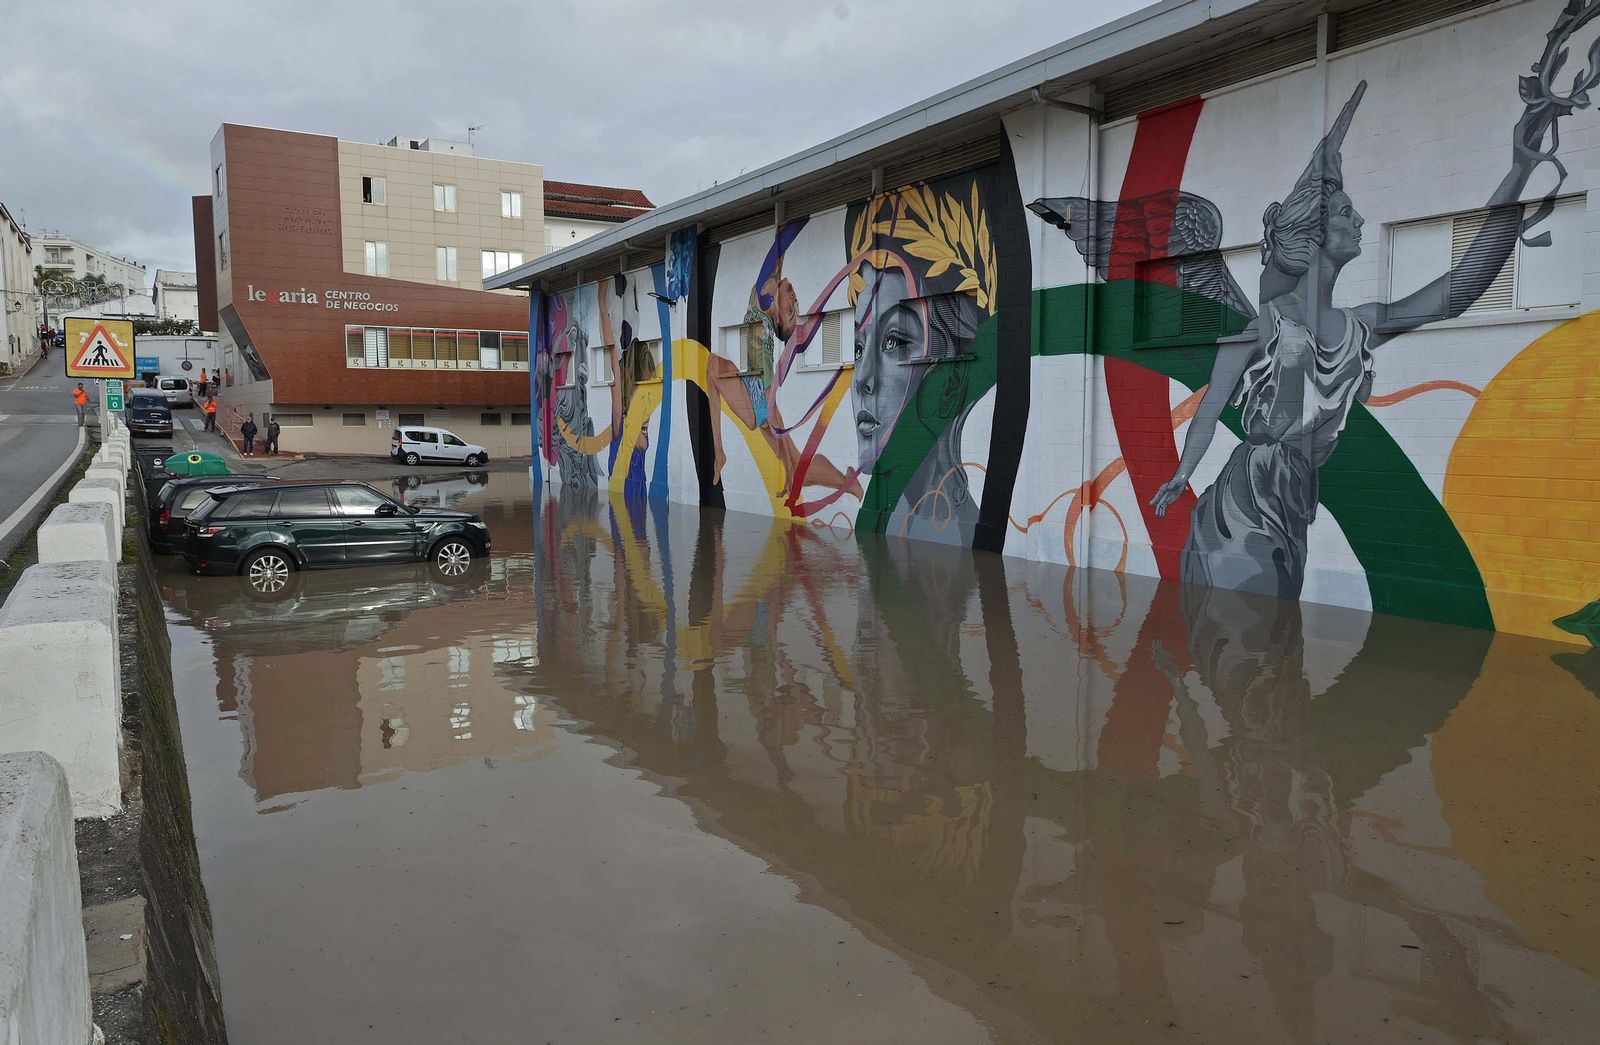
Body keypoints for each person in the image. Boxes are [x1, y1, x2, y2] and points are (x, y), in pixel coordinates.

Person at [1151, 76, 1564, 599]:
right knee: (1250, 653)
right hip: (1247, 502)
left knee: (1274, 656)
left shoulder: (1360, 324)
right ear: (1316, 235)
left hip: (1294, 499)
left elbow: (1459, 289)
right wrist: (1183, 473)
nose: (1361, 217)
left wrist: (1520, 169)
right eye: (1347, 213)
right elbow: (1215, 413)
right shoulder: (1261, 328)